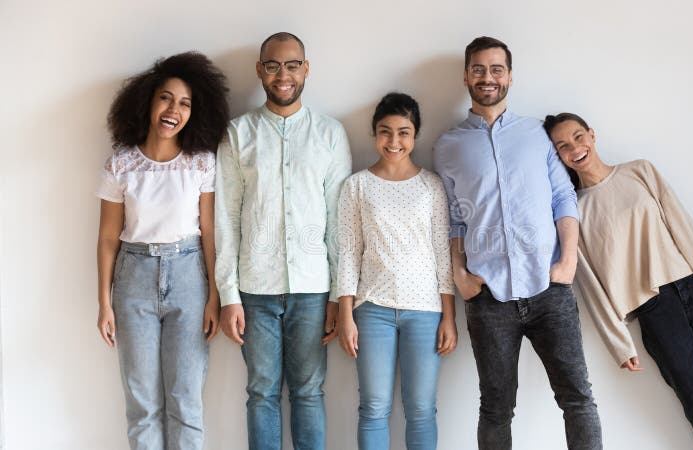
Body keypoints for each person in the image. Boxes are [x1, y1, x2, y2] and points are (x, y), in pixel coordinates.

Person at [543, 112, 693, 450]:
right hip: (654, 310)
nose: (574, 148)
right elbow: (588, 282)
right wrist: (619, 342)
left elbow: (683, 227)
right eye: (562, 146)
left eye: (578, 137)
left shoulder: (639, 171)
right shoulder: (573, 208)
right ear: (557, 156)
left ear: (592, 134)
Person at [433, 37, 602, 450]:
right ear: (466, 76)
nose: (487, 77)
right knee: (495, 407)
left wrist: (568, 262)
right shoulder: (448, 145)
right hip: (488, 296)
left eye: (496, 69)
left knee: (577, 398)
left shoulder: (537, 135)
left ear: (509, 76)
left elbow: (564, 196)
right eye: (478, 69)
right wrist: (460, 274)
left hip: (550, 289)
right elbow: (455, 215)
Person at [215, 32, 352, 450]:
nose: (283, 74)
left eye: (292, 65)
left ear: (305, 69)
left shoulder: (330, 133)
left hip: (313, 288)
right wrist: (227, 295)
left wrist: (337, 294)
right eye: (273, 65)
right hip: (254, 289)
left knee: (309, 392)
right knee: (261, 393)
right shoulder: (238, 134)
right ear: (260, 70)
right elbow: (225, 217)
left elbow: (340, 220)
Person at [95, 51, 229, 450]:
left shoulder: (201, 163)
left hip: (189, 277)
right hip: (133, 279)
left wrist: (214, 296)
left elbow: (209, 232)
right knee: (142, 404)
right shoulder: (121, 164)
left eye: (185, 103)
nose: (174, 110)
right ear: (148, 103)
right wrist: (104, 302)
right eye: (166, 98)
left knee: (185, 400)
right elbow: (107, 238)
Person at [337, 93, 457, 450]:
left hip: (424, 311)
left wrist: (448, 318)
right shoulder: (356, 186)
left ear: (415, 134)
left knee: (421, 409)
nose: (394, 141)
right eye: (385, 132)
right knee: (374, 407)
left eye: (403, 132)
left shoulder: (431, 186)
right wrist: (345, 313)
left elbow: (442, 254)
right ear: (374, 134)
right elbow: (347, 253)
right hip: (372, 309)